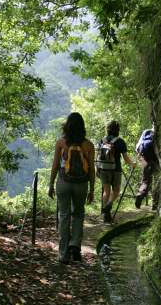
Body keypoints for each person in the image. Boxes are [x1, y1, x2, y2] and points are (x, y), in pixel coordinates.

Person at [48, 112, 95, 264]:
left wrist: (51, 184)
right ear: (82, 127)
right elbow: (92, 169)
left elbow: (55, 165)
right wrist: (92, 189)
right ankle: (75, 245)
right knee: (79, 214)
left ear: (67, 126)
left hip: (63, 182)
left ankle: (63, 254)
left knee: (64, 216)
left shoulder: (61, 143)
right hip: (81, 184)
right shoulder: (88, 145)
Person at [97, 120, 136, 223]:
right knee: (116, 191)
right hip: (116, 169)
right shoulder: (120, 141)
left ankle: (106, 214)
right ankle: (109, 204)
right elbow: (126, 158)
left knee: (106, 191)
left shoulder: (102, 140)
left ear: (107, 129)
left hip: (103, 168)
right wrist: (132, 164)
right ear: (118, 130)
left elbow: (98, 156)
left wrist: (97, 169)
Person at [135, 127, 160, 210]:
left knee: (145, 180)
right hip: (154, 160)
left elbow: (137, 147)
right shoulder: (156, 134)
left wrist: (140, 158)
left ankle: (140, 194)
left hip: (144, 159)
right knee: (157, 180)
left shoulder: (145, 133)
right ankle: (155, 204)